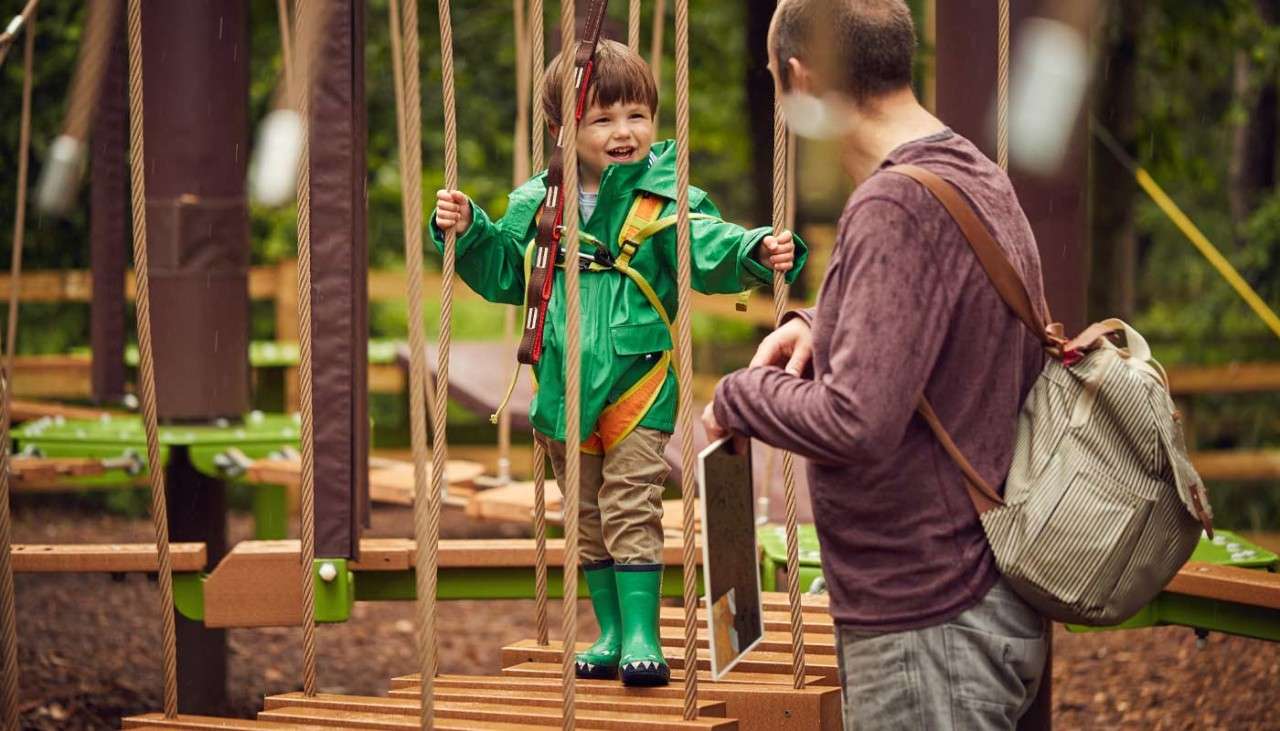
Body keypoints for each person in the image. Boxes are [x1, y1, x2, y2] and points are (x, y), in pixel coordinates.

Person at [703, 1, 1049, 727]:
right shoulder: (971, 174)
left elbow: (856, 419)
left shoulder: (893, 205)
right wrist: (818, 325)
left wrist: (739, 396)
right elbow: (943, 322)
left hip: (930, 620)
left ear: (799, 79)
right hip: (981, 599)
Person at [432, 39, 806, 687]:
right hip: (563, 385)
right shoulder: (537, 204)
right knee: (584, 513)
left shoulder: (666, 196)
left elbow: (708, 246)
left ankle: (641, 632)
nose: (623, 132)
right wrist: (467, 228)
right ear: (562, 130)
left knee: (631, 502)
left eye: (636, 115)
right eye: (602, 119)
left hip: (639, 378)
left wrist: (753, 249)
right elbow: (500, 273)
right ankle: (608, 629)